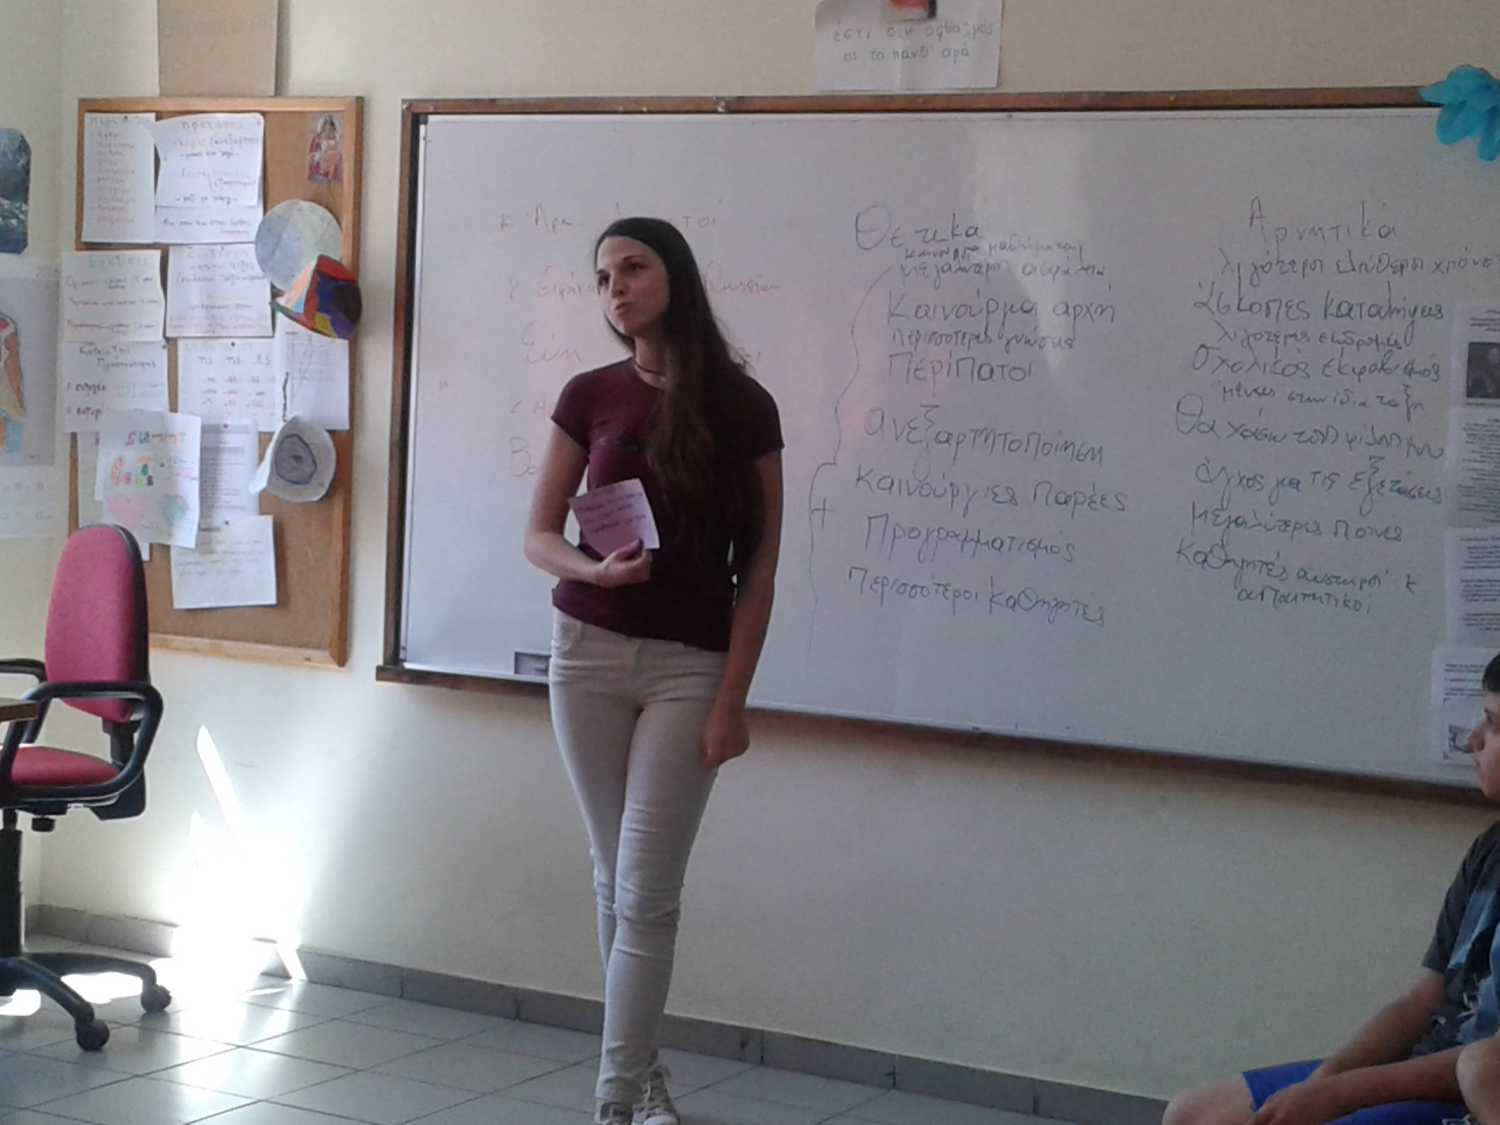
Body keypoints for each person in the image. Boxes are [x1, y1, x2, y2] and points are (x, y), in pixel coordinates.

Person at [523, 217, 783, 1125]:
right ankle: (644, 1080)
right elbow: (539, 534)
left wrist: (732, 702)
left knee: (646, 893)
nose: (616, 289)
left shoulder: (745, 407)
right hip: (585, 652)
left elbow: (761, 570)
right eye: (603, 277)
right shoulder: (589, 393)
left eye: (633, 268)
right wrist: (595, 571)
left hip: (690, 669)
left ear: (676, 275)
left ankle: (614, 1101)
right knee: (615, 881)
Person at [1163, 652, 1500, 1125]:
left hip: (1469, 1090)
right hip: (1421, 1064)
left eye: (1493, 723)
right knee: (1193, 1114)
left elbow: (1485, 1067)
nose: (1473, 739)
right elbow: (1424, 1000)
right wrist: (1323, 1081)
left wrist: (1339, 1095)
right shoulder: (1489, 848)